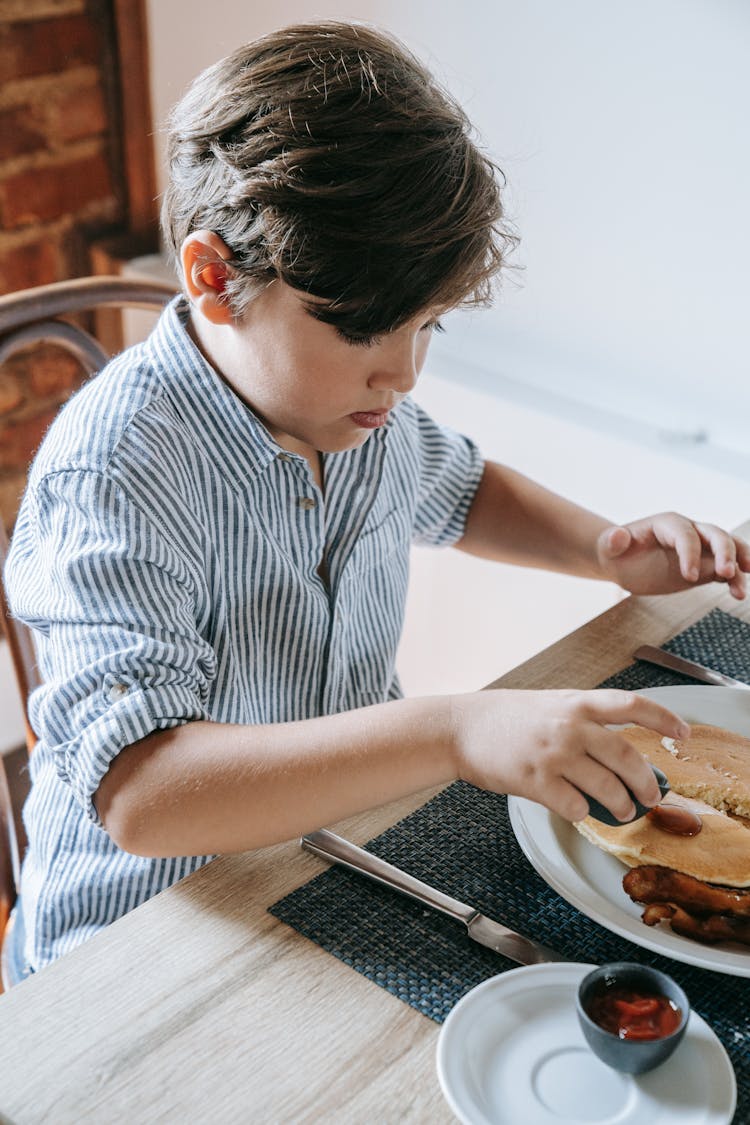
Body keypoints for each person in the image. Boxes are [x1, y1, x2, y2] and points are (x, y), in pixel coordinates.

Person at [4, 21, 749, 981]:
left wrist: (606, 549)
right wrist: (452, 728)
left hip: (327, 862)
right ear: (215, 279)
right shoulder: (113, 475)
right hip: (139, 943)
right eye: (363, 329)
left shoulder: (356, 413)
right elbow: (145, 795)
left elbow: (465, 488)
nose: (402, 373)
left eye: (426, 324)